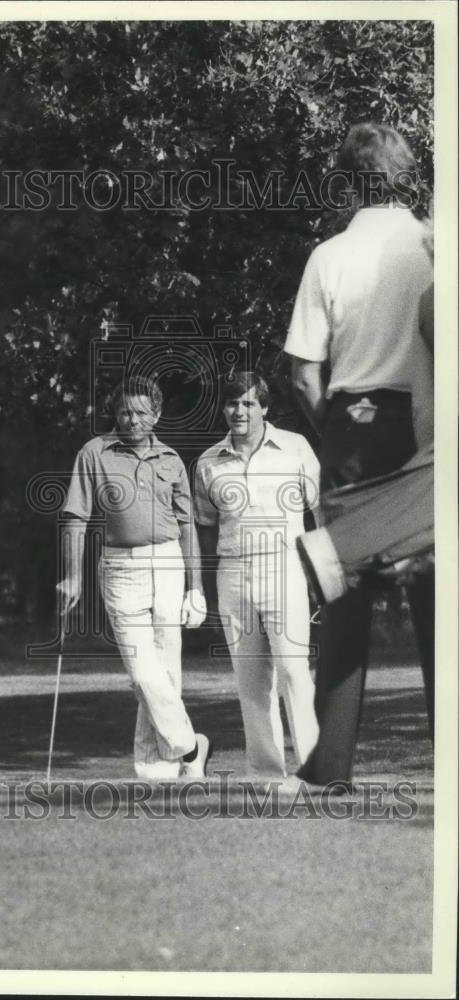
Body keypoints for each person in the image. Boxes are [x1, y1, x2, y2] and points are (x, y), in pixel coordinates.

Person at [285, 122, 434, 785]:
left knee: (342, 597)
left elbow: (300, 374)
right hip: (426, 424)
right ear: (404, 175)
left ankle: (331, 768)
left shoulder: (328, 254)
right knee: (438, 593)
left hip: (348, 422)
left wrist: (337, 434)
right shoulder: (435, 245)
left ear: (347, 179)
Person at [57, 376, 211, 781]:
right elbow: (75, 518)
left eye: (142, 412)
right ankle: (192, 747)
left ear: (157, 415)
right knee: (143, 672)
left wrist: (197, 585)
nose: (132, 419)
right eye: (125, 411)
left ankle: (156, 768)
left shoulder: (172, 460)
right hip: (121, 568)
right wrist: (73, 577)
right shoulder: (95, 452)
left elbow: (188, 525)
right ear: (115, 412)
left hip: (169, 563)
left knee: (166, 672)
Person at [193, 372, 321, 779]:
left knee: (293, 671)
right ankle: (266, 776)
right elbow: (204, 525)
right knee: (251, 682)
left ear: (264, 407)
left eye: (248, 403)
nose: (239, 411)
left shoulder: (295, 449)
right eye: (232, 403)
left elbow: (321, 512)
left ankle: (319, 769)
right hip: (233, 572)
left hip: (286, 566)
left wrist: (323, 572)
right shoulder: (209, 462)